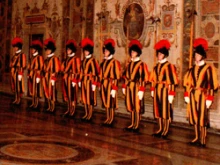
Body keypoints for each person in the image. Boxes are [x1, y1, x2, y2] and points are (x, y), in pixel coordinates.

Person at [183, 38, 218, 147]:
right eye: (195, 55)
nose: (196, 57)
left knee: (202, 118)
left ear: (202, 56)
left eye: (198, 55)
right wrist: (187, 95)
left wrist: (210, 98)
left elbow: (212, 85)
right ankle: (196, 137)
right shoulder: (191, 69)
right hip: (193, 95)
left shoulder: (209, 69)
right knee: (194, 117)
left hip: (203, 95)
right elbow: (187, 83)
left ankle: (202, 139)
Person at [150, 39, 178, 138]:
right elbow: (152, 79)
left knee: (165, 110)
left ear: (165, 55)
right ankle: (160, 128)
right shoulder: (156, 67)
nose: (159, 56)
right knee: (158, 110)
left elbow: (173, 81)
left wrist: (171, 93)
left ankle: (166, 129)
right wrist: (153, 89)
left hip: (165, 90)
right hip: (157, 89)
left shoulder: (169, 66)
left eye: (161, 54)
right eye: (158, 54)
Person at [122, 39, 149, 132]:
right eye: (131, 52)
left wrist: (142, 89)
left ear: (137, 53)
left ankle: (137, 123)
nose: (132, 53)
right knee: (131, 105)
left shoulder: (142, 64)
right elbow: (125, 76)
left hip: (137, 87)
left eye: (134, 52)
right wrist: (124, 86)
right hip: (129, 86)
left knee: (137, 106)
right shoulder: (129, 64)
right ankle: (132, 123)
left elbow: (144, 78)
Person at [99, 39, 121, 126]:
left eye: (106, 51)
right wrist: (100, 84)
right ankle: (107, 118)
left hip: (110, 84)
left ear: (110, 51)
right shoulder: (104, 62)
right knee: (106, 102)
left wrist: (114, 88)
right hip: (104, 84)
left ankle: (111, 118)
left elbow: (116, 76)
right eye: (104, 51)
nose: (105, 52)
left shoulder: (114, 62)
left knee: (111, 103)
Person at [79, 38, 99, 121]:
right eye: (84, 51)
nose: (85, 52)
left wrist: (94, 83)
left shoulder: (93, 60)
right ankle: (86, 113)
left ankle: (90, 114)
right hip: (84, 81)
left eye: (87, 51)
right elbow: (81, 71)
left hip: (90, 81)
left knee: (90, 98)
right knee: (84, 98)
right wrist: (80, 80)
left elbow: (95, 73)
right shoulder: (83, 60)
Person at [61, 39, 81, 117]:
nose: (67, 51)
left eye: (69, 49)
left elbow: (78, 71)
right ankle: (69, 109)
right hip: (66, 79)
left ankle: (73, 110)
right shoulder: (66, 60)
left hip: (73, 80)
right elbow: (62, 69)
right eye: (67, 49)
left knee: (73, 96)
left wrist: (75, 79)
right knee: (68, 95)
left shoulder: (76, 59)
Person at [42, 37, 61, 112]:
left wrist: (53, 78)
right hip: (46, 77)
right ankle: (49, 106)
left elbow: (57, 70)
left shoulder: (55, 59)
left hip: (51, 78)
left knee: (52, 93)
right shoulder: (46, 59)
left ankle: (53, 107)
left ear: (51, 50)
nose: (47, 51)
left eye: (48, 50)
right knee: (47, 92)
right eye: (46, 50)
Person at [10, 37, 26, 105]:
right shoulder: (14, 56)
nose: (15, 48)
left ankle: (19, 99)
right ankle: (16, 98)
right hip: (13, 73)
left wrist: (20, 73)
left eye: (16, 47)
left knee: (18, 87)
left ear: (19, 47)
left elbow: (23, 65)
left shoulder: (22, 55)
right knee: (15, 87)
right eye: (14, 47)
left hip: (18, 73)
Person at [28, 40, 44, 109]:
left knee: (36, 90)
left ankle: (36, 103)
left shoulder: (39, 57)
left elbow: (40, 67)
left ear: (36, 50)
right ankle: (33, 103)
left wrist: (38, 76)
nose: (32, 50)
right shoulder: (32, 57)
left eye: (33, 49)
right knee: (32, 89)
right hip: (32, 75)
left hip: (36, 75)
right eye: (32, 49)